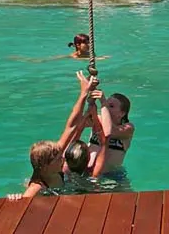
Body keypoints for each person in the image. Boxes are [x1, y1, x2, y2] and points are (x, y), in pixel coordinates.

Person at [13, 71, 102, 199]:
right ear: (45, 166)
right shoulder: (37, 187)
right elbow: (20, 208)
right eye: (59, 158)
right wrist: (16, 199)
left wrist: (84, 93)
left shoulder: (54, 168)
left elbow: (71, 126)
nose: (63, 158)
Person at [88, 90, 135, 176]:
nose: (106, 108)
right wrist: (90, 104)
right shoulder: (97, 119)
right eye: (106, 105)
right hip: (88, 174)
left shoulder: (128, 128)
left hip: (112, 176)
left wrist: (103, 103)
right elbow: (77, 123)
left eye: (111, 106)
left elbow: (109, 131)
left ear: (122, 113)